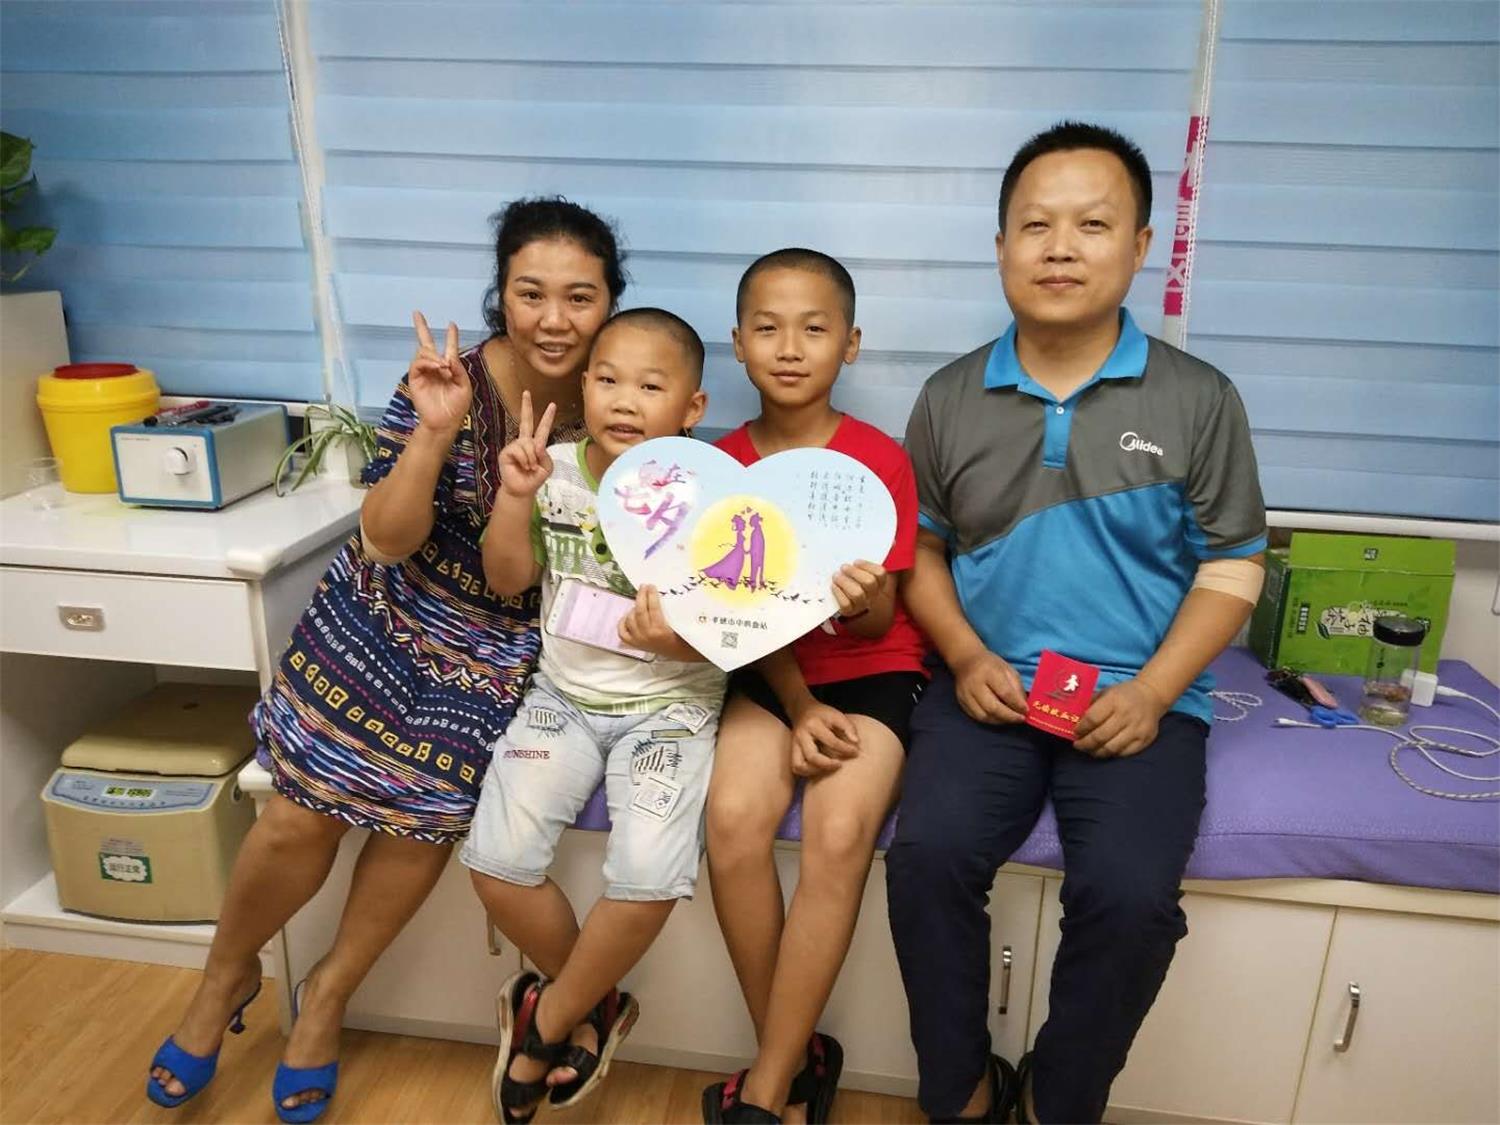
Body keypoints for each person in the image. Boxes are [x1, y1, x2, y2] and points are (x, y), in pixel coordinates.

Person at [145, 197, 626, 1123]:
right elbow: (386, 537)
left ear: (610, 300)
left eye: (580, 296)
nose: (555, 318)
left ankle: (328, 992)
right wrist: (437, 430)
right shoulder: (446, 379)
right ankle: (223, 977)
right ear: (501, 293)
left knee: (423, 812)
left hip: (501, 639)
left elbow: (549, 566)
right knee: (297, 811)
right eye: (531, 292)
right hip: (385, 605)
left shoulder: (613, 403)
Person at [886, 122, 1268, 1124]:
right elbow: (920, 549)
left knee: (1133, 901)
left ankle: (1059, 1101)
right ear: (1001, 245)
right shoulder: (949, 396)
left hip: (1141, 701)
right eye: (1036, 225)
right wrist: (963, 653)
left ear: (1139, 246)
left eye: (1093, 225)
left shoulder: (1199, 399)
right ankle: (961, 1090)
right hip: (987, 688)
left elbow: (1233, 564)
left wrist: (1152, 692)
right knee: (925, 860)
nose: (1061, 248)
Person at [464, 307, 725, 1124]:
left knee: (648, 877)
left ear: (692, 407)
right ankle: (594, 1004)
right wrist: (516, 495)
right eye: (607, 379)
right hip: (562, 700)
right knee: (495, 863)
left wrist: (678, 639)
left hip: (671, 709)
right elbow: (507, 578)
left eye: (650, 385)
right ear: (583, 387)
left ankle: (547, 1020)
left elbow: (737, 631)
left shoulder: (715, 494)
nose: (624, 399)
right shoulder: (555, 471)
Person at [701, 249, 928, 1125]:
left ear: (851, 344)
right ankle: (793, 1058)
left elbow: (879, 625)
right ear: (738, 343)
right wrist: (798, 706)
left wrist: (864, 601)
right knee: (731, 820)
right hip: (770, 674)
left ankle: (766, 1088)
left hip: (875, 672)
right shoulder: (721, 466)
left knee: (838, 834)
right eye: (767, 327)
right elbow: (738, 622)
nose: (789, 347)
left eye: (814, 328)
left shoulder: (880, 461)